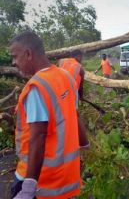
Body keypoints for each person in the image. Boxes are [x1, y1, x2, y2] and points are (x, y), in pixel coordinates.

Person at [9, 31, 89, 199]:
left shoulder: (37, 87)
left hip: (40, 181)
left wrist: (29, 186)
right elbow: (75, 116)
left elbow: (38, 136)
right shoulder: (66, 76)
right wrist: (86, 147)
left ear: (28, 54)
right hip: (66, 179)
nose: (14, 63)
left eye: (15, 57)